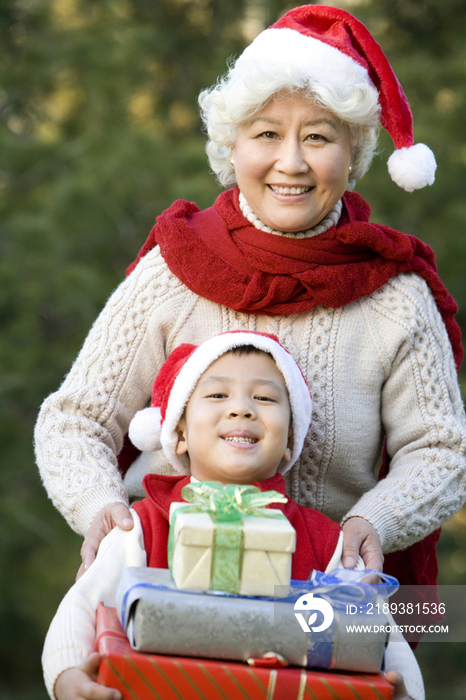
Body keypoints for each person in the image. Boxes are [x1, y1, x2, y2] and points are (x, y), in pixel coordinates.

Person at [35, 5, 466, 594]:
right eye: (267, 134)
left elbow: (440, 449)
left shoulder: (395, 296)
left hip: (325, 591)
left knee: (401, 676)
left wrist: (375, 521)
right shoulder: (176, 270)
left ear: (354, 151)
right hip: (161, 574)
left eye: (318, 136)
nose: (291, 162)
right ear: (233, 145)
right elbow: (76, 420)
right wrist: (100, 509)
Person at [42, 332, 423, 700]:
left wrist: (402, 691)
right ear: (179, 433)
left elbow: (381, 634)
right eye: (217, 394)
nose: (242, 408)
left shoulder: (326, 542)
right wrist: (67, 674)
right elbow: (83, 605)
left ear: (290, 440)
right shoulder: (142, 527)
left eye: (263, 397)